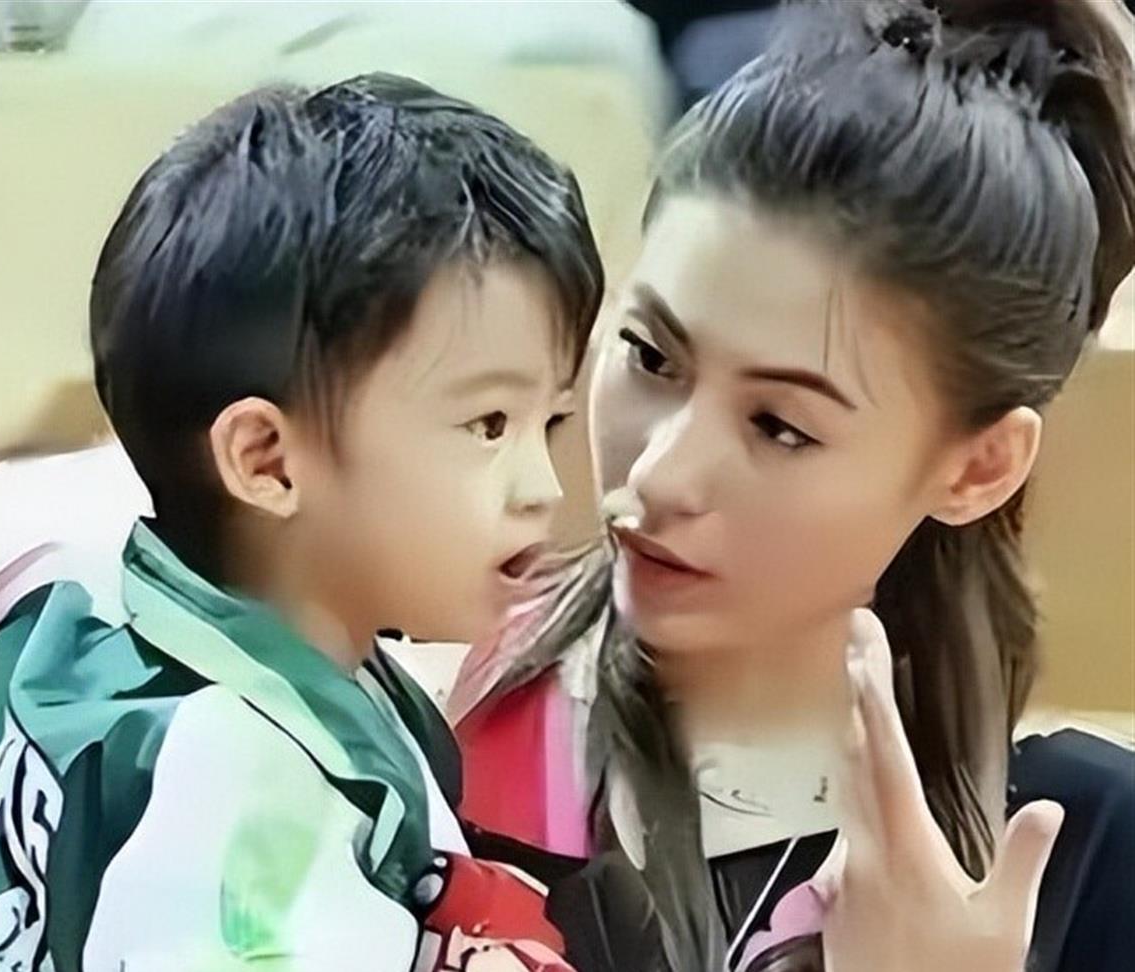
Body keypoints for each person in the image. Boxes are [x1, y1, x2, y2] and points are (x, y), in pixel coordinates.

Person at [444, 1, 1135, 970]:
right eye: (650, 356)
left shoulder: (1086, 862)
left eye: (779, 426)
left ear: (975, 468)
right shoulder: (404, 719)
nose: (661, 473)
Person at [0, 75, 605, 971]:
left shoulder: (83, 623)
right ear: (268, 461)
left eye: (549, 421)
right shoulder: (241, 799)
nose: (541, 487)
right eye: (487, 425)